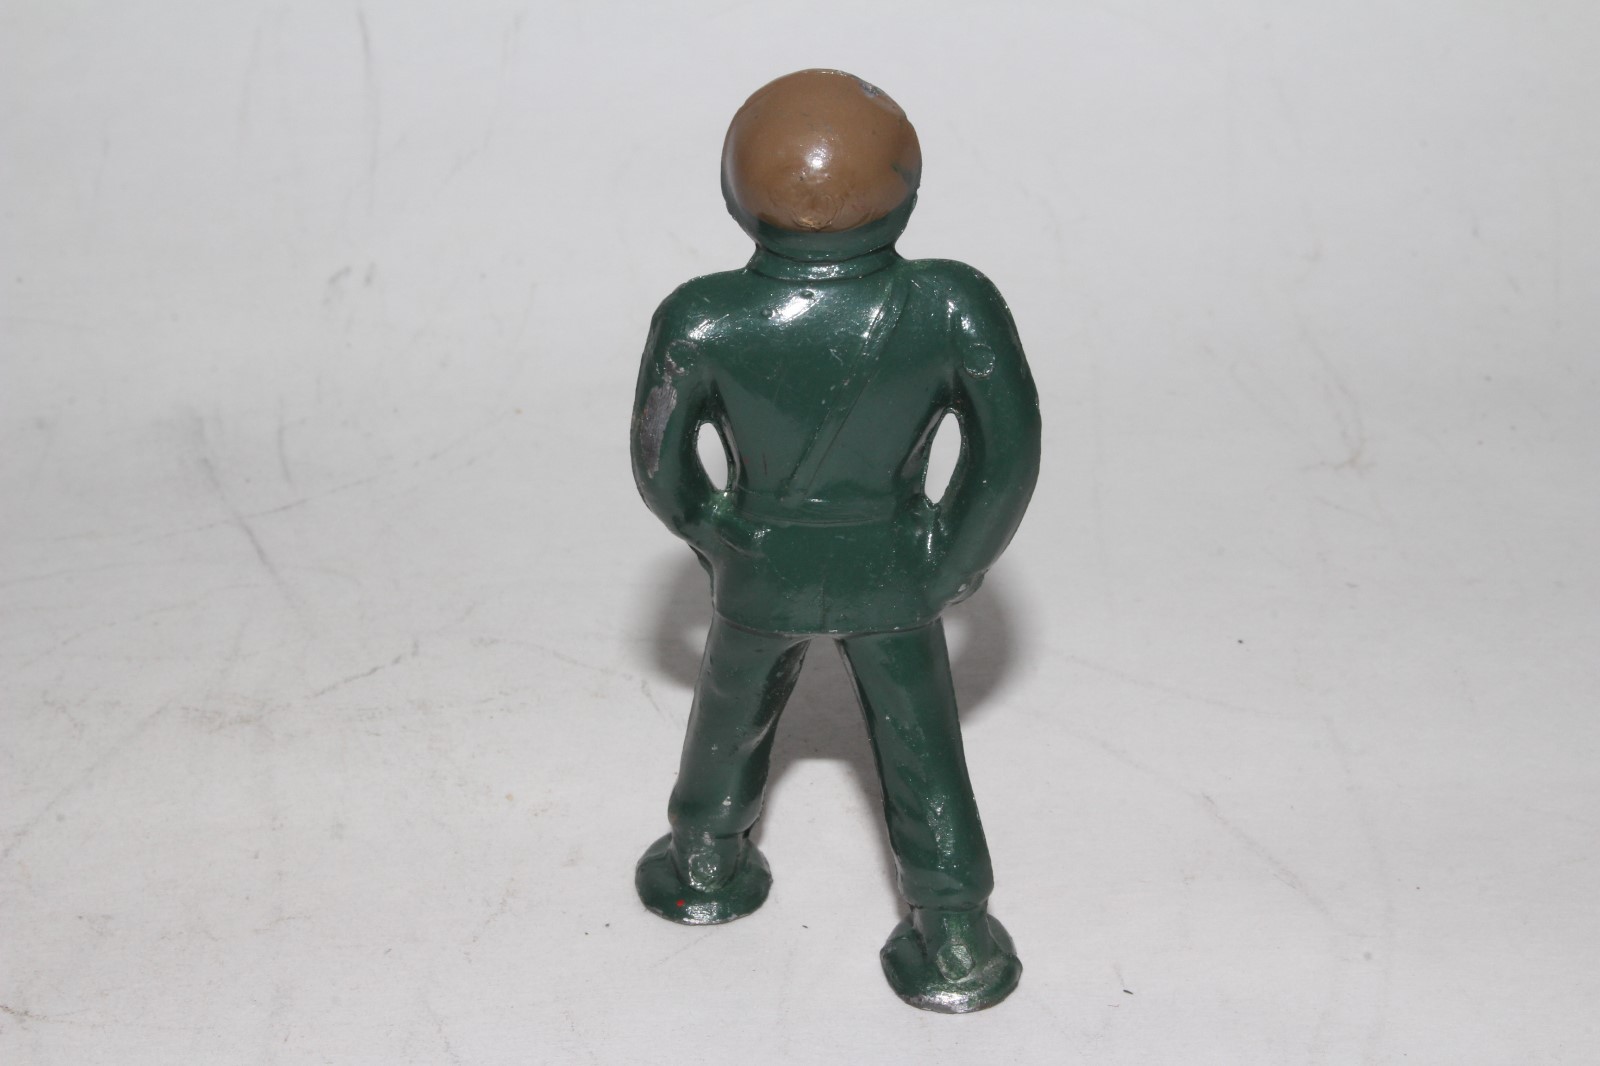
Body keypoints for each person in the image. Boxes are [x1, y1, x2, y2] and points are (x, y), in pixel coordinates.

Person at [630, 69, 1041, 1013]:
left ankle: (705, 860)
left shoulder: (702, 316)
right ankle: (953, 931)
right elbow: (1008, 452)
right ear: (908, 186)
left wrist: (720, 536)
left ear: (734, 194)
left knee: (730, 712)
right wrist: (949, 562)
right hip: (892, 568)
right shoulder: (951, 304)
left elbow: (659, 462)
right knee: (921, 745)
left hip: (763, 566)